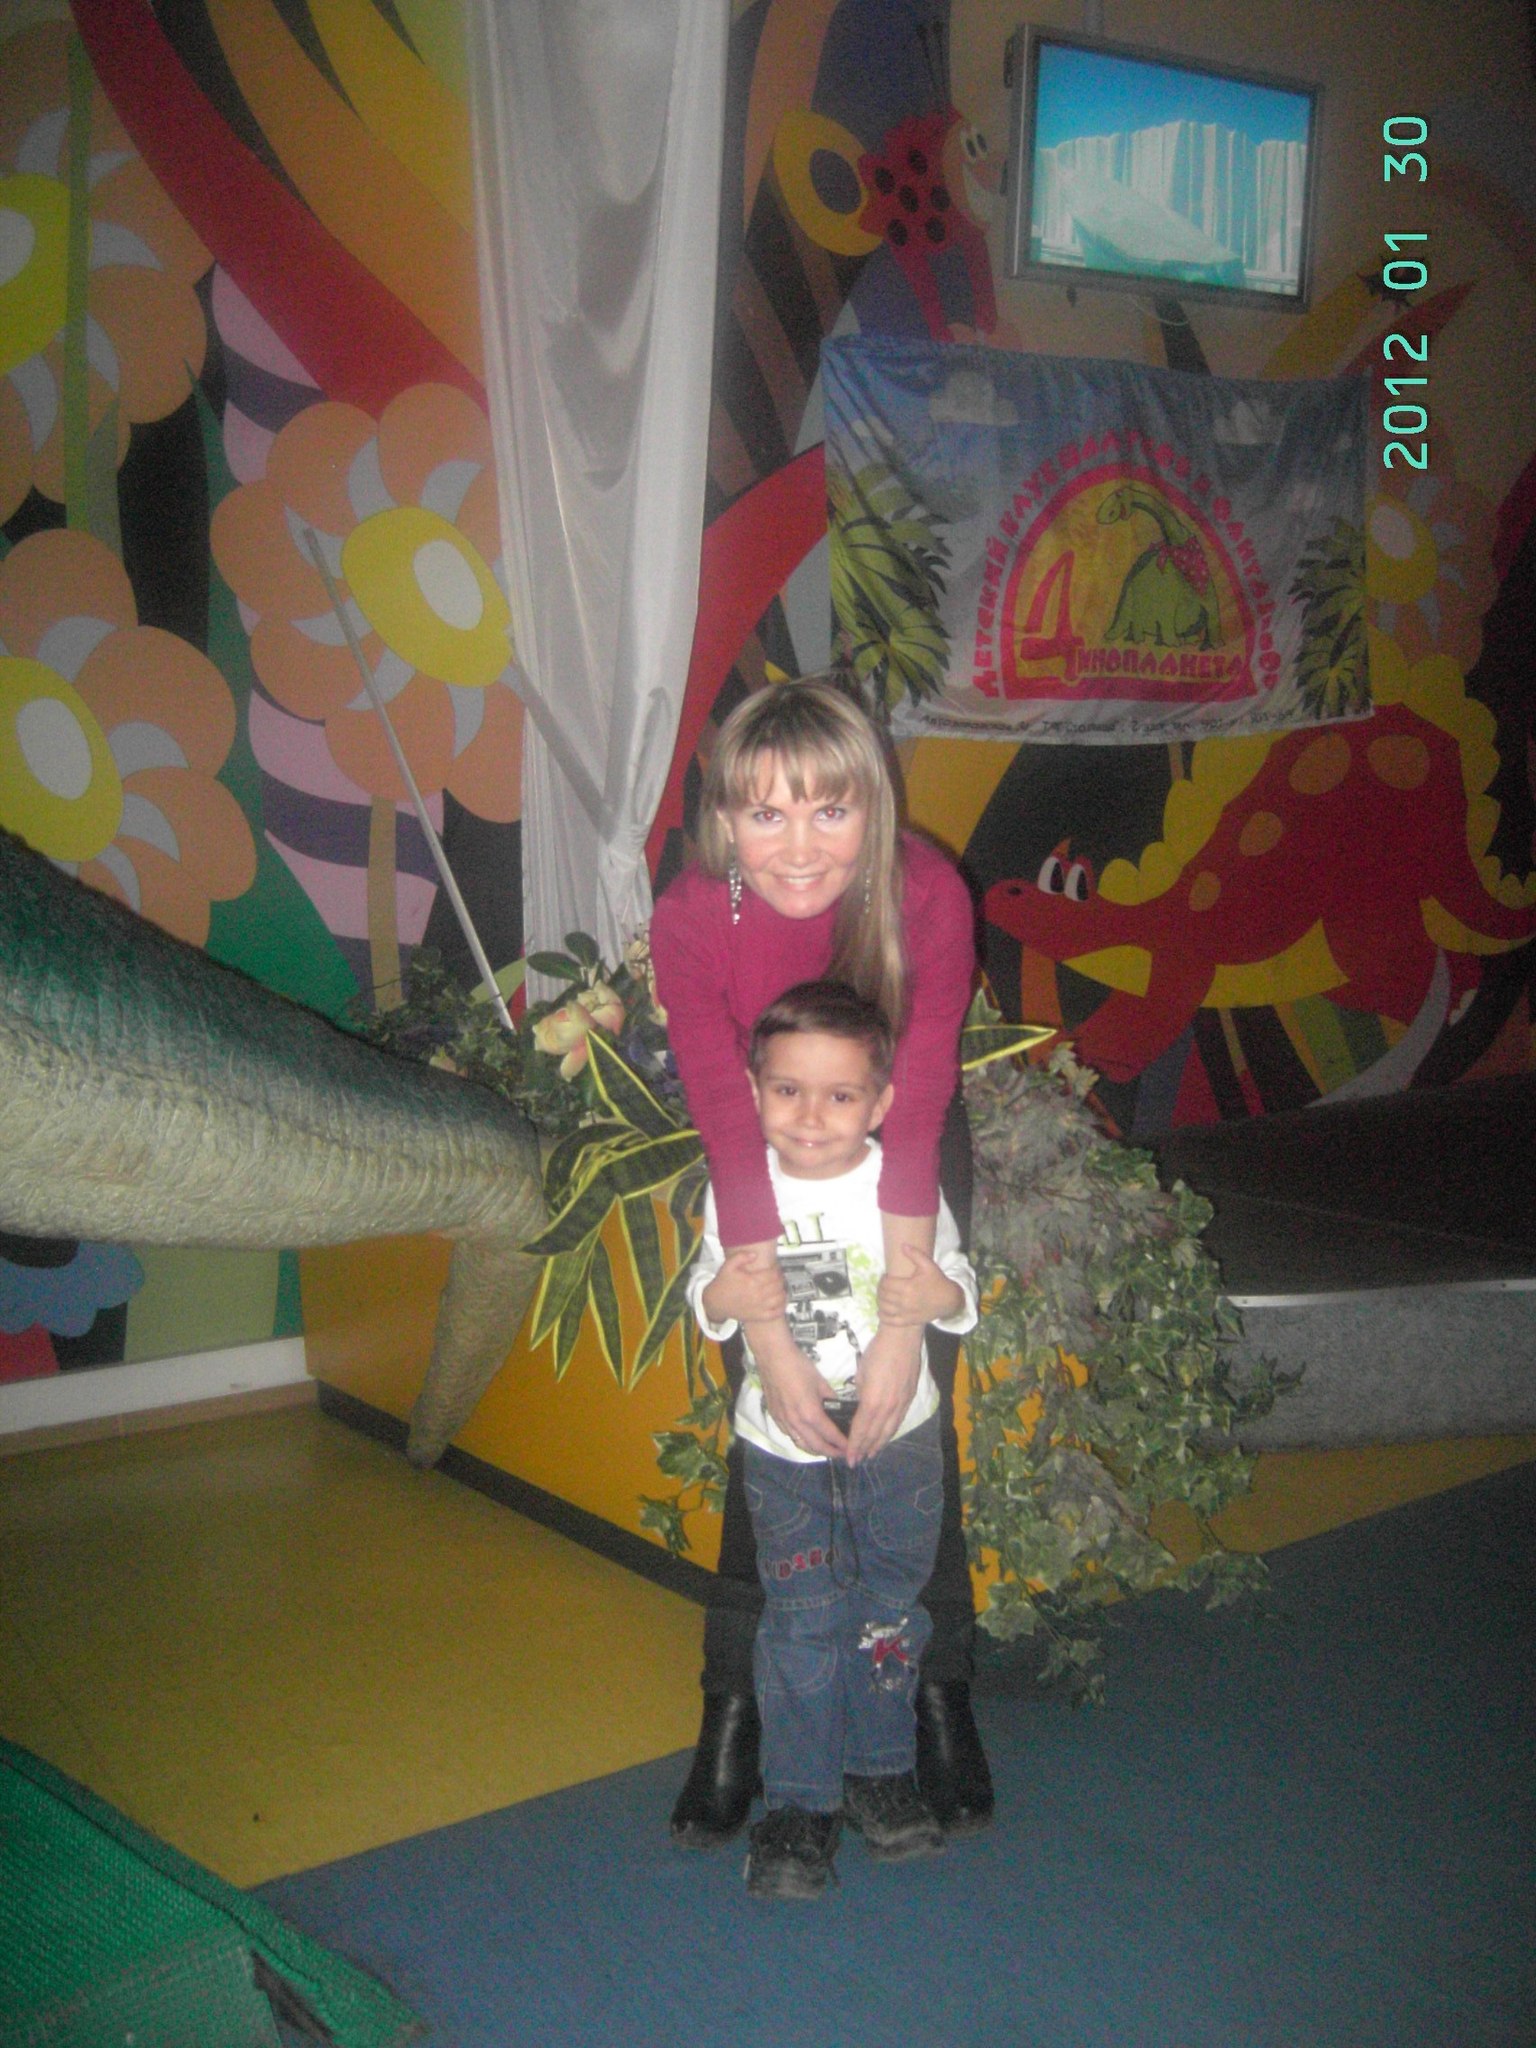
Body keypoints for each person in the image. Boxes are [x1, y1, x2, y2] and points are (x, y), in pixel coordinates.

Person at [649, 673, 993, 1847]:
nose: (799, 846)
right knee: (775, 1437)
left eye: (830, 809)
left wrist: (902, 1329)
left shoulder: (924, 891)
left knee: (912, 1435)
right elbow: (723, 1114)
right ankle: (735, 1708)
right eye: (766, 811)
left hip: (902, 1155)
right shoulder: (696, 913)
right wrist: (765, 1331)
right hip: (759, 1168)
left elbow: (924, 1095)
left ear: (872, 805)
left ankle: (936, 1694)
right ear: (725, 818)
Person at [687, 981, 979, 1899]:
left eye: (840, 1094)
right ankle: (799, 1802)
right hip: (786, 1457)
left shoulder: (904, 1186)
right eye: (788, 1090)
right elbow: (708, 1296)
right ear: (753, 1091)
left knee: (891, 1612)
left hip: (900, 1447)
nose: (811, 1116)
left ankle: (880, 1771)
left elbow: (958, 1285)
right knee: (803, 1623)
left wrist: (938, 1296)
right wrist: (724, 1297)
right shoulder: (739, 1190)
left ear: (881, 1103)